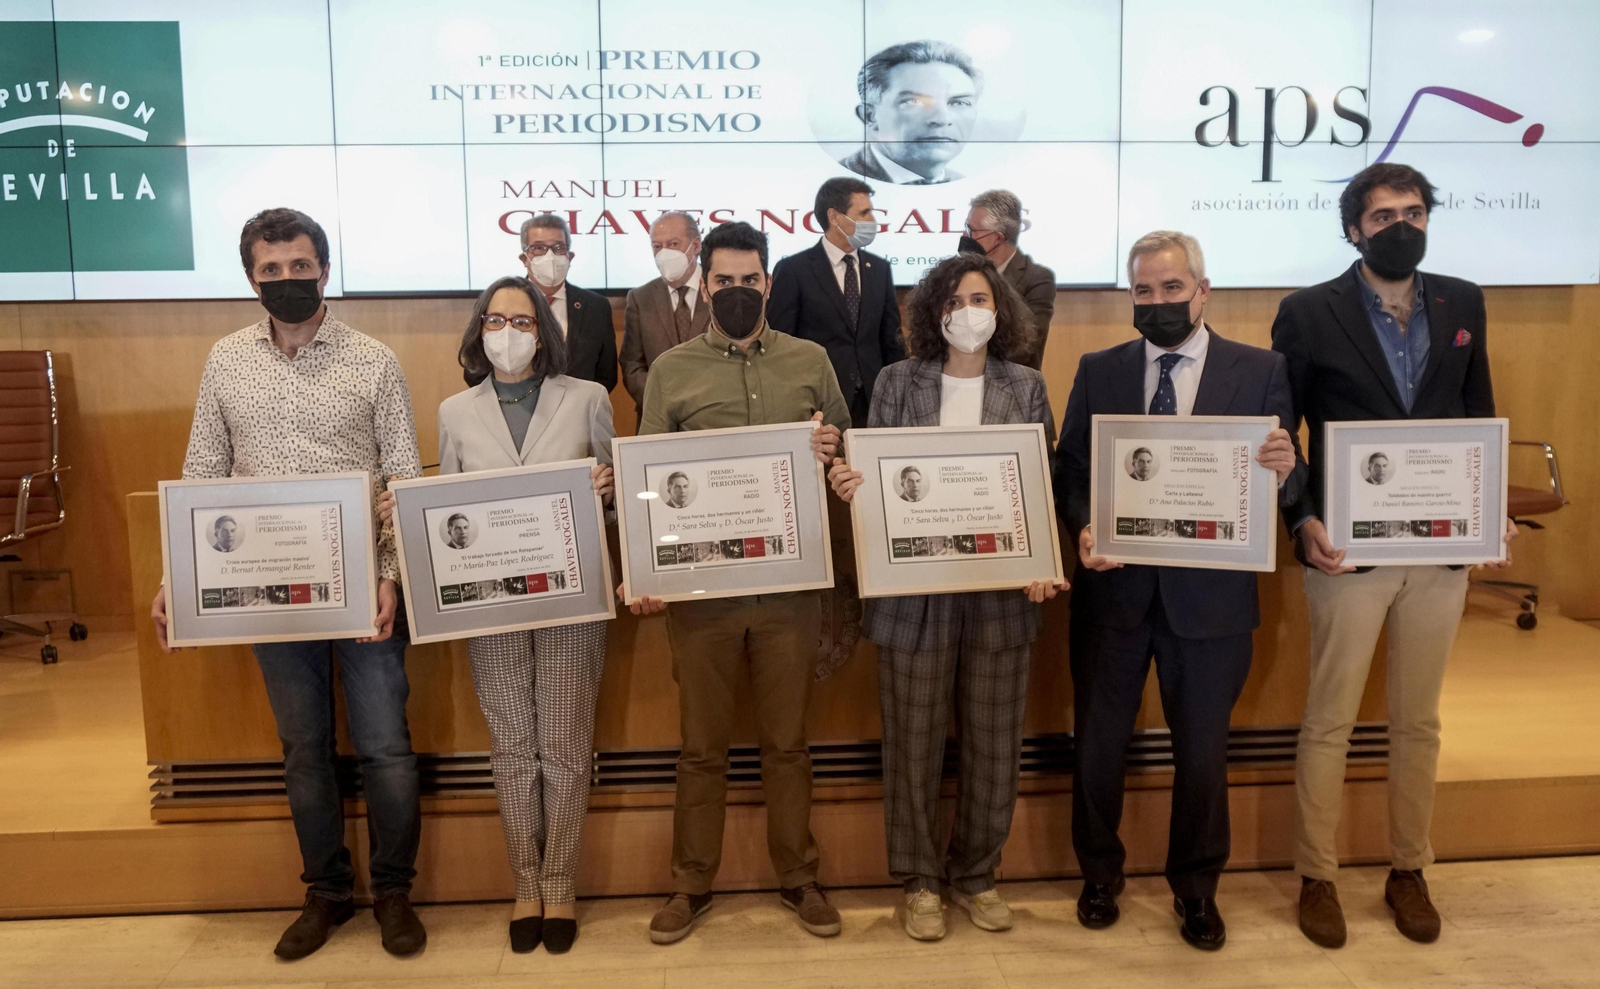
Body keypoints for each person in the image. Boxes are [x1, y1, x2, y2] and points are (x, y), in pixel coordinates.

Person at [151, 208, 426, 961]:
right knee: (304, 747)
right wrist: (177, 575)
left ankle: (394, 892)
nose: (286, 280)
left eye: (299, 267)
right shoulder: (225, 360)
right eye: (270, 271)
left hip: (363, 586)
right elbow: (203, 471)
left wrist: (394, 576)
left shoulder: (373, 359)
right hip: (268, 590)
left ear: (325, 270)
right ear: (251, 279)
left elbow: (402, 474)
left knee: (385, 747)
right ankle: (328, 892)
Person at [1271, 162, 1514, 950]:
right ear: (1353, 229)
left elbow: (1477, 413)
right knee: (1331, 717)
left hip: (1440, 549)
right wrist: (1301, 519)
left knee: (1420, 720)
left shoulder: (1462, 300)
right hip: (1345, 551)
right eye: (1383, 217)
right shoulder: (1308, 312)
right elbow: (1286, 435)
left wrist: (1489, 512)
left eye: (1413, 212)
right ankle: (1318, 873)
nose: (1400, 226)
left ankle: (1409, 867)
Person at [1056, 230, 1306, 952]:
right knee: (1098, 745)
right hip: (1114, 592)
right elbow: (1072, 467)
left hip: (1213, 601)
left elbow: (1284, 470)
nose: (1158, 301)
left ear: (1202, 290)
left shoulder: (1260, 369)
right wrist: (1080, 527)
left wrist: (1287, 466)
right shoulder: (1098, 367)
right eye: (1144, 291)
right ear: (1130, 295)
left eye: (1172, 289)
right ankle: (1099, 873)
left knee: (1203, 752)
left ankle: (1197, 890)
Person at [827, 251, 1062, 941]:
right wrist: (851, 487)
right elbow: (876, 477)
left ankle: (978, 872)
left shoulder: (1025, 386)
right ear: (935, 312)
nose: (969, 311)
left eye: (981, 298)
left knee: (994, 740)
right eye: (955, 300)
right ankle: (921, 879)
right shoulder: (899, 382)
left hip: (999, 591)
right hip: (914, 592)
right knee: (913, 739)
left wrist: (1043, 558)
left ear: (1001, 309)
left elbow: (1039, 484)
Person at [628, 221, 851, 945]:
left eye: (748, 280)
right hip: (704, 596)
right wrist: (647, 570)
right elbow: (647, 487)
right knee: (702, 745)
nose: (735, 291)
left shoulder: (810, 360)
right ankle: (690, 884)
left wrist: (831, 449)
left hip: (791, 592)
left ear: (767, 283)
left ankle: (799, 877)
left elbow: (845, 455)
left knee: (788, 741)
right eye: (721, 281)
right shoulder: (671, 369)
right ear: (704, 283)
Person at [378, 274, 615, 956]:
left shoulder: (589, 398)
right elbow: (452, 506)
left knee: (566, 747)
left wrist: (606, 487)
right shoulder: (455, 411)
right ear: (479, 329)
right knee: (512, 749)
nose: (506, 331)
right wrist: (409, 511)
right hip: (489, 603)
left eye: (522, 319)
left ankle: (562, 880)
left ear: (544, 328)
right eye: (494, 318)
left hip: (574, 599)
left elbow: (618, 499)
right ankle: (526, 883)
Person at [769, 176, 906, 428]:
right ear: (834, 217)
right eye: (863, 213)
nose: (872, 221)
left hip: (874, 402)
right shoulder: (794, 270)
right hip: (818, 404)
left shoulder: (879, 269)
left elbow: (891, 341)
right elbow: (781, 343)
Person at [839, 41, 980, 185]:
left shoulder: (969, 186)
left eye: (959, 103)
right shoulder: (838, 181)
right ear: (869, 116)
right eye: (914, 102)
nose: (942, 118)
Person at [620, 211, 710, 422]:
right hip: (656, 419)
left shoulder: (720, 289)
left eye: (673, 244)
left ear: (695, 246)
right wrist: (662, 403)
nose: (664, 253)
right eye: (657, 246)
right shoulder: (640, 298)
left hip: (713, 418)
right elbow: (632, 364)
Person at [518, 214, 619, 393]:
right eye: (539, 248)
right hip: (516, 413)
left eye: (558, 248)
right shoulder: (500, 304)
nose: (550, 255)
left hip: (579, 416)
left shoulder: (596, 307)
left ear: (569, 257)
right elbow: (477, 371)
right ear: (525, 258)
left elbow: (607, 376)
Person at [963, 190, 1056, 370]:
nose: (965, 236)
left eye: (971, 230)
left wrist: (966, 361)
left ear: (997, 238)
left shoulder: (1037, 278)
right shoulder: (958, 275)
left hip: (1010, 386)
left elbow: (1024, 345)